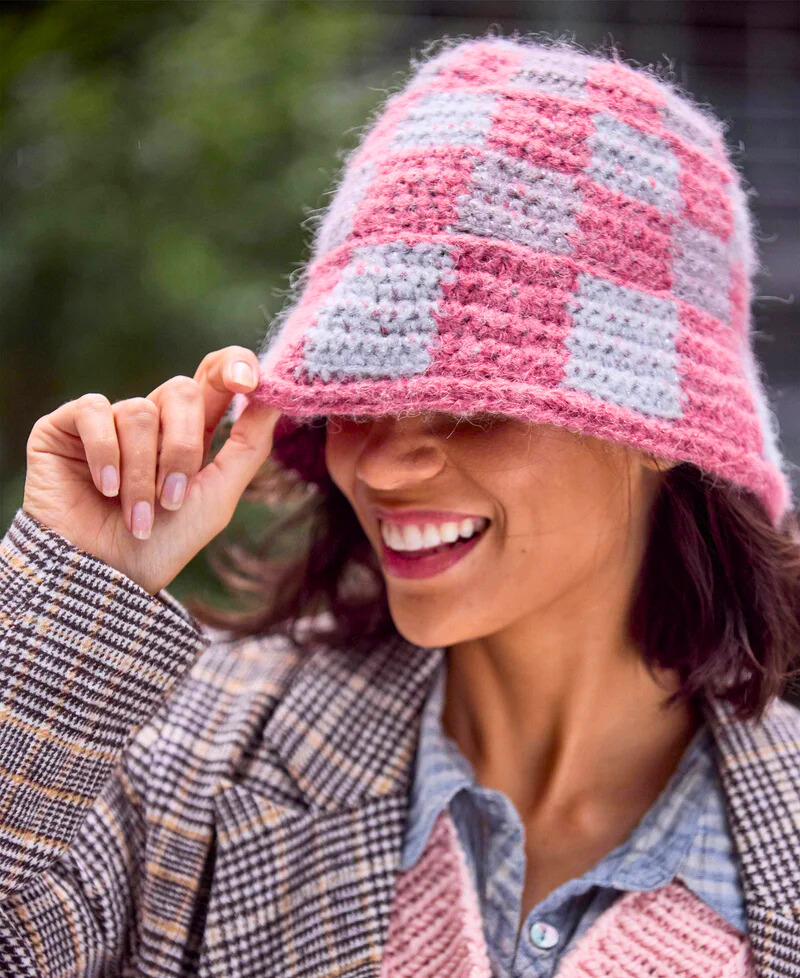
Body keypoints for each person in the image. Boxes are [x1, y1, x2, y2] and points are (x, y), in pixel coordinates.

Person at [2, 33, 799, 978]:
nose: (381, 470)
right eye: (354, 396)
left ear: (662, 427)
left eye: (469, 405)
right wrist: (72, 606)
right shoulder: (189, 760)